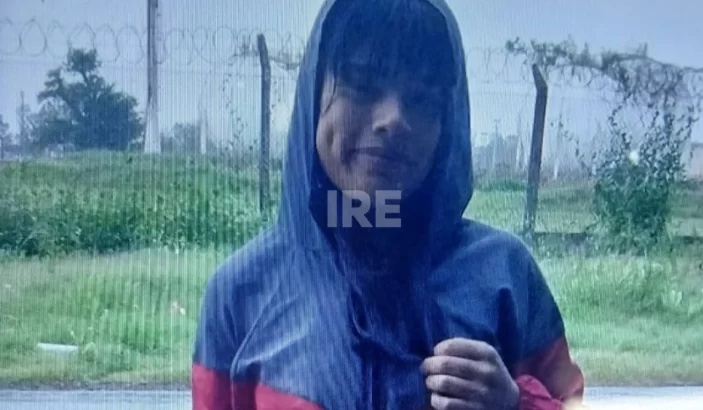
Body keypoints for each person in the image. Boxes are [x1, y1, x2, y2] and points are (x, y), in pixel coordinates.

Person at [191, 0, 585, 409]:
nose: (393, 118)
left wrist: (516, 403)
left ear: (447, 124)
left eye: (422, 99)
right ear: (313, 95)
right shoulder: (240, 293)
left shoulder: (506, 275)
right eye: (362, 85)